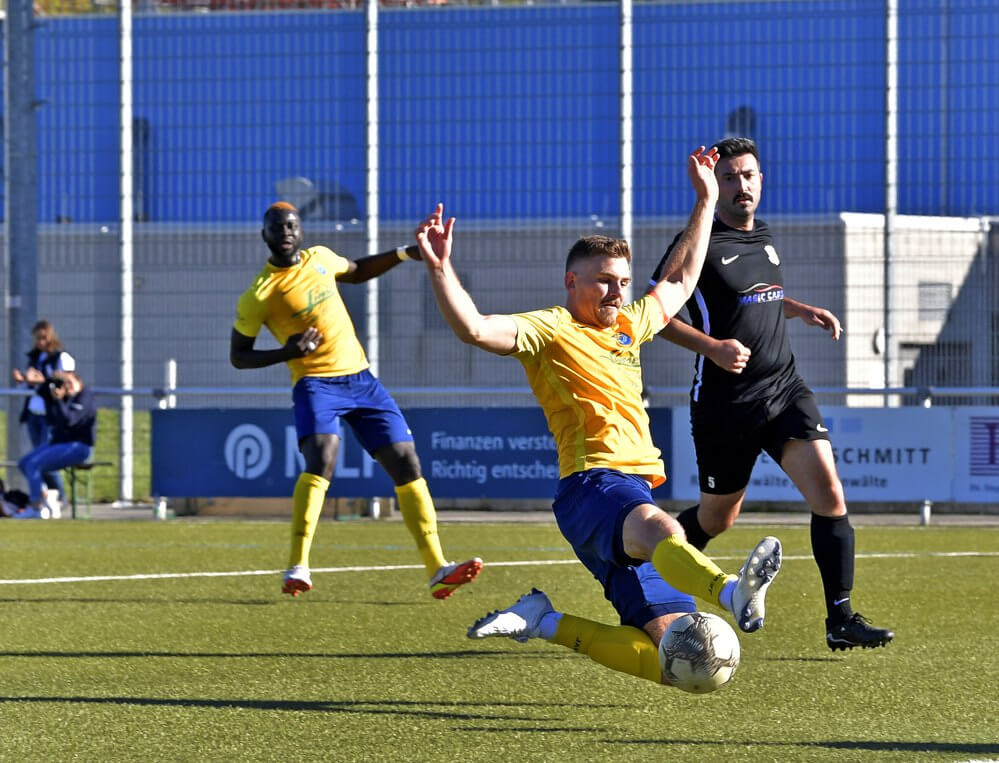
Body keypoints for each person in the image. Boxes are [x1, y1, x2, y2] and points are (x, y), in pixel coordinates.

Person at [413, 146, 783, 689]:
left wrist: (705, 201)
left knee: (679, 659)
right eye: (603, 280)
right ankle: (732, 591)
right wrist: (441, 269)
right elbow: (474, 327)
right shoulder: (551, 328)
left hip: (631, 492)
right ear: (572, 282)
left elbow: (680, 284)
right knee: (664, 528)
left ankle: (546, 620)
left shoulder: (630, 325)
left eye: (622, 281)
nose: (615, 291)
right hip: (593, 488)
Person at [648, 136, 894, 652]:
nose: (743, 185)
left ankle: (840, 619)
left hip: (784, 389)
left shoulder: (762, 236)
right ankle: (651, 578)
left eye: (750, 175)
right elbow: (655, 314)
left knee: (829, 495)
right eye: (731, 177)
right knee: (718, 518)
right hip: (725, 405)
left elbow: (760, 300)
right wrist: (712, 347)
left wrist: (798, 309)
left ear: (762, 180)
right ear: (715, 184)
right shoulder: (698, 242)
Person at [230, 201, 482, 600]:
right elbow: (238, 356)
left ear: (300, 230)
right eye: (276, 226)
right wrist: (288, 351)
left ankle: (438, 568)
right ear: (264, 234)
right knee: (323, 456)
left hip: (362, 381)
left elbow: (359, 271)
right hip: (315, 383)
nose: (285, 231)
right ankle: (298, 565)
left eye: (291, 225)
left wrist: (404, 253)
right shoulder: (259, 294)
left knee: (406, 460)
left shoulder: (321, 258)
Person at [11, 320, 77, 515]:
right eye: (37, 338)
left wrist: (43, 380)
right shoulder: (35, 358)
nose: (40, 342)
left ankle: (58, 498)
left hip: (52, 416)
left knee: (45, 460)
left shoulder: (61, 358)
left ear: (51, 337)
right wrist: (24, 380)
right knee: (34, 461)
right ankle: (46, 499)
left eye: (44, 337)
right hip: (35, 414)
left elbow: (66, 383)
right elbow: (33, 386)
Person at [15, 370, 96, 519]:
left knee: (34, 464)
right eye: (65, 383)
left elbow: (70, 420)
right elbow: (43, 393)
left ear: (79, 382)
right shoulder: (64, 396)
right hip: (58, 444)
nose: (68, 386)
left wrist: (58, 401)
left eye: (71, 382)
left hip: (79, 447)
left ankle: (36, 507)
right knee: (23, 463)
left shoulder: (84, 396)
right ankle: (49, 499)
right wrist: (43, 381)